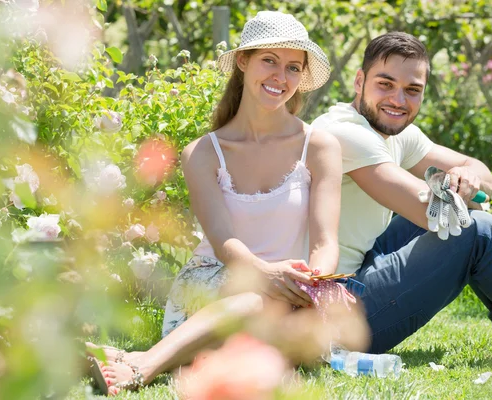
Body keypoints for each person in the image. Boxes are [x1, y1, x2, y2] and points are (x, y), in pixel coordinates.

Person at [87, 11, 347, 395]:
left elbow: (326, 242)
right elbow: (224, 243)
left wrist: (312, 285)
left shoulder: (320, 146)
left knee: (272, 326)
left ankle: (131, 356)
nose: (281, 77)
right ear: (243, 62)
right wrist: (266, 274)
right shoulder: (204, 154)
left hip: (287, 292)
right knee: (254, 303)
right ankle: (143, 365)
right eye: (269, 61)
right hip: (213, 283)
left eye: (293, 67)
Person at [311, 31, 492, 354]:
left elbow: (484, 175)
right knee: (477, 229)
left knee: (472, 215)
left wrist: (467, 176)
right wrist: (459, 192)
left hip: (360, 267)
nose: (398, 100)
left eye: (412, 90)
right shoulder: (345, 133)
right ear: (359, 82)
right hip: (332, 309)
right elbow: (431, 211)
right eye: (385, 84)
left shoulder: (396, 132)